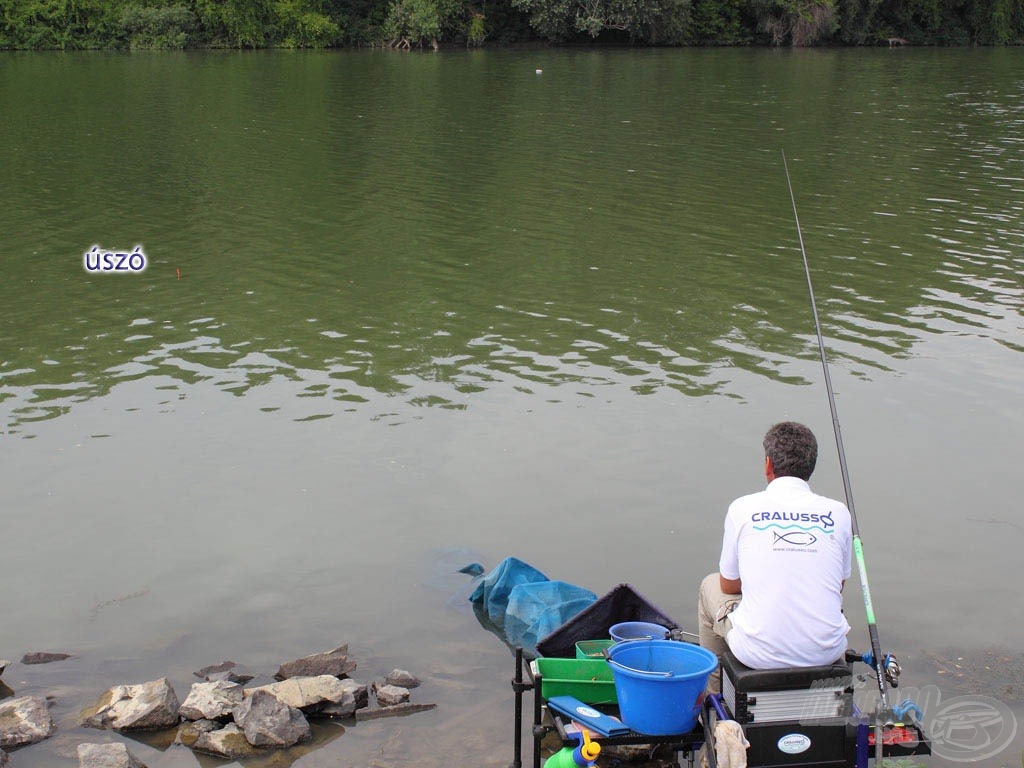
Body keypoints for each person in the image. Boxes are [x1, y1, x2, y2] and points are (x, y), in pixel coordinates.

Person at [698, 421, 852, 691]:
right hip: (826, 653)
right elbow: (838, 585)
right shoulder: (838, 513)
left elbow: (728, 585)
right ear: (811, 466)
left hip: (757, 654)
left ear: (768, 465)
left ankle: (714, 701)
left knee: (709, 585)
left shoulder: (743, 508)